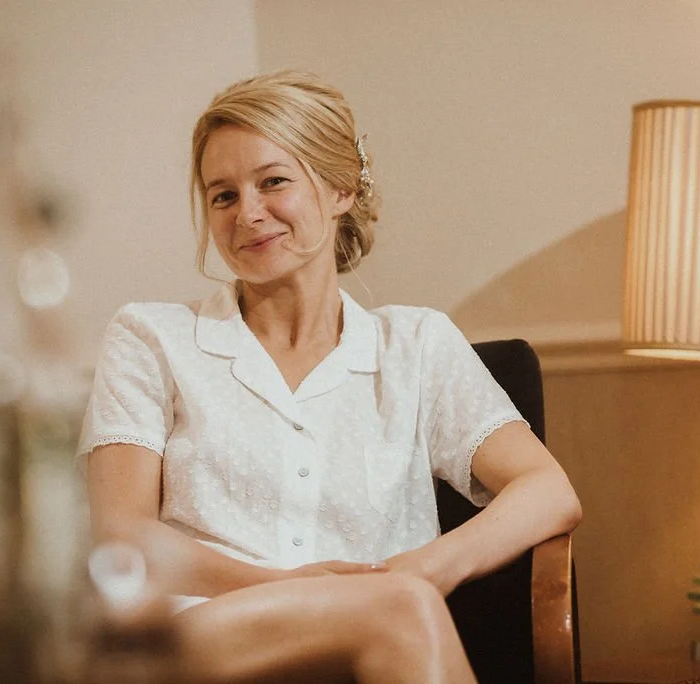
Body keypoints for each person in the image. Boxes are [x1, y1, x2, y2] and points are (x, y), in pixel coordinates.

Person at [80, 70, 582, 683]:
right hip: (191, 645)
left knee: (401, 608)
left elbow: (549, 492)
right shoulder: (149, 337)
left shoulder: (417, 345)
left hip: (379, 647)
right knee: (398, 611)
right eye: (223, 196)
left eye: (273, 182)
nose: (248, 214)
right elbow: (121, 535)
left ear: (341, 188)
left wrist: (428, 569)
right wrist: (289, 587)